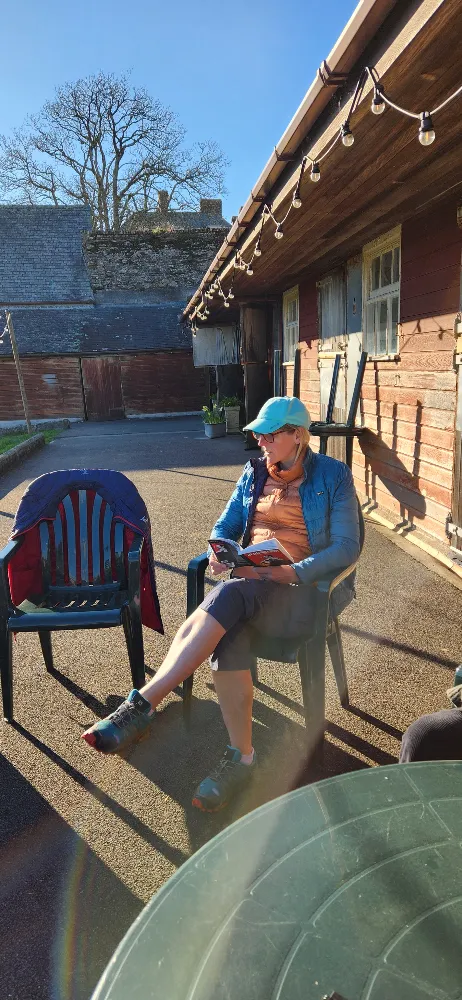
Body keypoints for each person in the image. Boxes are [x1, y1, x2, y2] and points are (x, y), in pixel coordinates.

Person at [82, 396, 360, 811]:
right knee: (228, 636)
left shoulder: (335, 476)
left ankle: (144, 703)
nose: (261, 443)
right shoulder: (252, 475)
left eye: (269, 435)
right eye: (259, 435)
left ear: (298, 436)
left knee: (228, 596)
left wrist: (293, 571)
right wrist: (221, 550)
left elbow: (345, 547)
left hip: (302, 596)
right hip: (252, 589)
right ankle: (242, 757)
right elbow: (226, 524)